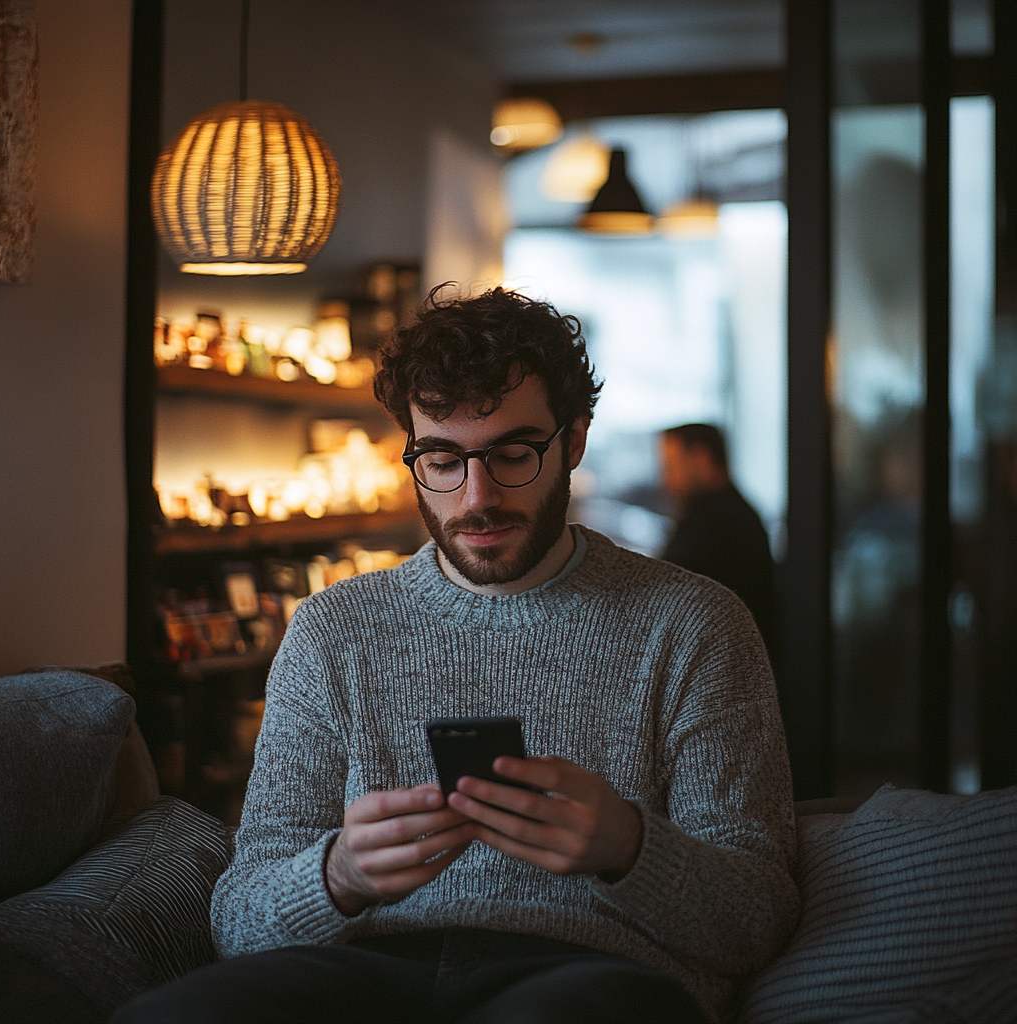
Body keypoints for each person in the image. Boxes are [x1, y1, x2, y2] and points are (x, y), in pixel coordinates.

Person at [113, 289, 799, 1024]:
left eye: (512, 453)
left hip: (583, 974)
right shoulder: (332, 632)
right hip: (357, 969)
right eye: (441, 458)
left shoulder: (695, 625)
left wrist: (628, 847)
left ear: (572, 442)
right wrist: (338, 874)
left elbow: (756, 920)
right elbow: (239, 923)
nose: (476, 498)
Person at [658, 424, 780, 668]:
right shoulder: (731, 511)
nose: (666, 479)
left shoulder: (715, 521)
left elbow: (663, 587)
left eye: (671, 466)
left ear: (701, 459)